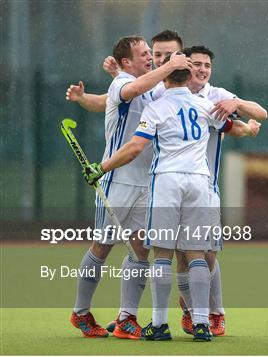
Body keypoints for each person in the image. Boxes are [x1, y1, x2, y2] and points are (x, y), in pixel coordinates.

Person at [81, 53, 236, 342]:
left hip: (166, 182)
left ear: (165, 78)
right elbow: (232, 127)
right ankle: (202, 323)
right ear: (189, 77)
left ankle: (160, 324)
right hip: (200, 183)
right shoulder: (204, 105)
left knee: (163, 254)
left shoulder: (156, 106)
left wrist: (100, 167)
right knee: (196, 254)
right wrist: (249, 125)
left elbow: (136, 147)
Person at [68, 36, 190, 339]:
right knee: (101, 248)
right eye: (144, 53)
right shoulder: (123, 82)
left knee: (140, 251)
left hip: (146, 182)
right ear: (126, 62)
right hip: (117, 181)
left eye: (151, 53)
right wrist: (169, 65)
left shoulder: (151, 87)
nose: (151, 56)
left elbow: (152, 89)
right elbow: (129, 90)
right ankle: (80, 313)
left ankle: (127, 318)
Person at [175, 45, 267, 337]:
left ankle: (216, 312)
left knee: (208, 253)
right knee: (180, 254)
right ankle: (192, 310)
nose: (202, 70)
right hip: (174, 187)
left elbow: (260, 112)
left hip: (206, 188)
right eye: (197, 64)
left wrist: (235, 103)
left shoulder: (214, 95)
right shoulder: (170, 93)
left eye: (207, 65)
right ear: (185, 67)